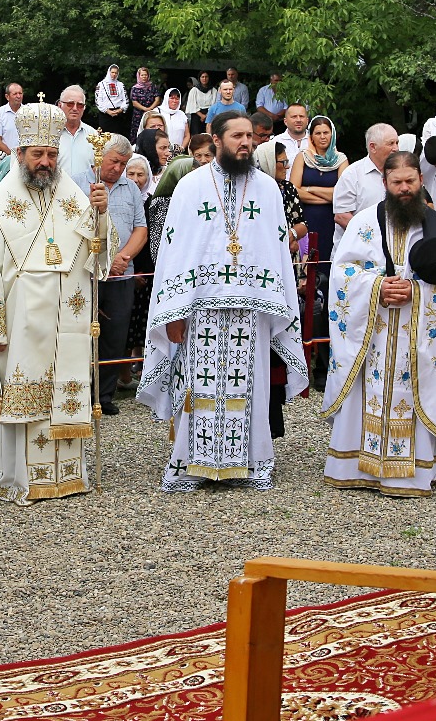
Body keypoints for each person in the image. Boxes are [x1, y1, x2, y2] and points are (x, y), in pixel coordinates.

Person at [0, 98, 113, 502]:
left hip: (68, 318)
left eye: (51, 154)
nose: (45, 161)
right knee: (23, 393)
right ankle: (21, 478)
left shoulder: (75, 195)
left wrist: (102, 214)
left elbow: (96, 250)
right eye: (37, 153)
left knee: (65, 390)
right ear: (20, 154)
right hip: (20, 320)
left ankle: (68, 475)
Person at [137, 111, 306, 491]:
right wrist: (172, 312)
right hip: (199, 308)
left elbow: (277, 250)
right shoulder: (191, 187)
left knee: (250, 386)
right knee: (196, 384)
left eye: (250, 137)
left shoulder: (267, 190)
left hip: (252, 308)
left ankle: (250, 464)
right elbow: (174, 251)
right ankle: (190, 465)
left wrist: (275, 301)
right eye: (237, 137)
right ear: (216, 139)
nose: (246, 143)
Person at [322, 151, 436, 496]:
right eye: (396, 182)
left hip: (416, 338)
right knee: (365, 389)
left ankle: (413, 472)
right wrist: (376, 286)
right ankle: (353, 464)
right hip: (370, 335)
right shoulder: (363, 223)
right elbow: (342, 274)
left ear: (421, 181)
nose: (404, 189)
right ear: (385, 184)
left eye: (410, 181)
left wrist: (417, 291)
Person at [71, 135, 146, 416]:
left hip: (120, 275)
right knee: (82, 334)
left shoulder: (131, 190)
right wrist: (103, 258)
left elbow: (141, 228)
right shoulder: (76, 183)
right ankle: (79, 393)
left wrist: (122, 257)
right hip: (85, 273)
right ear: (99, 157)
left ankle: (105, 394)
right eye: (114, 161)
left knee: (115, 335)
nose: (118, 168)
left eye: (124, 163)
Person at [291, 115, 346, 263]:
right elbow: (294, 191)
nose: (322, 137)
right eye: (318, 133)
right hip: (307, 218)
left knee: (327, 258)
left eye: (326, 132)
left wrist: (308, 189)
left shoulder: (341, 160)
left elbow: (341, 193)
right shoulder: (302, 157)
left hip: (330, 220)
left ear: (332, 134)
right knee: (307, 260)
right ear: (311, 136)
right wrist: (327, 196)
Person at [333, 124, 400, 231]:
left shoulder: (400, 173)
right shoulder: (352, 174)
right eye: (391, 144)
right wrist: (371, 236)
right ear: (373, 147)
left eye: (397, 143)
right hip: (358, 244)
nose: (396, 148)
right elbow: (341, 216)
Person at [57, 85, 100, 176]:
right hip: (57, 188)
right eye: (70, 104)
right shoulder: (51, 132)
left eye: (80, 105)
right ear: (60, 105)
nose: (75, 108)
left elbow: (97, 167)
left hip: (84, 189)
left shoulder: (93, 134)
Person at [93, 65, 128, 135]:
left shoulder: (120, 85)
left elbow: (125, 100)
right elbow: (98, 101)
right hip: (105, 115)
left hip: (118, 114)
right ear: (109, 72)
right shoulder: (101, 84)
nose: (114, 74)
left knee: (118, 137)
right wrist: (107, 111)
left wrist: (120, 110)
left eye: (116, 73)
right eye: (112, 72)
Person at [0, 83, 25, 151]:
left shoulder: (29, 112)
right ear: (7, 96)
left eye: (20, 93)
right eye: (15, 94)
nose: (18, 96)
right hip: (6, 156)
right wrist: (12, 156)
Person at [129, 67, 160, 136]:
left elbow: (157, 100)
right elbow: (134, 103)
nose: (144, 77)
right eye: (142, 75)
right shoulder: (135, 88)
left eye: (145, 75)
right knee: (138, 133)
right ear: (139, 76)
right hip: (138, 114)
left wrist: (150, 109)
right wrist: (145, 109)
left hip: (151, 113)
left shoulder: (153, 86)